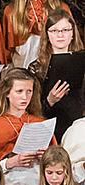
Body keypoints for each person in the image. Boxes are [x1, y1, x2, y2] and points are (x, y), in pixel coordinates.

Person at [29, 9, 84, 141]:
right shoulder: (36, 68)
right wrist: (50, 100)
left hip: (79, 127)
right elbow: (30, 110)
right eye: (54, 31)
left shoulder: (82, 61)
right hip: (50, 127)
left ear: (72, 34)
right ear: (47, 35)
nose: (60, 35)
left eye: (65, 30)